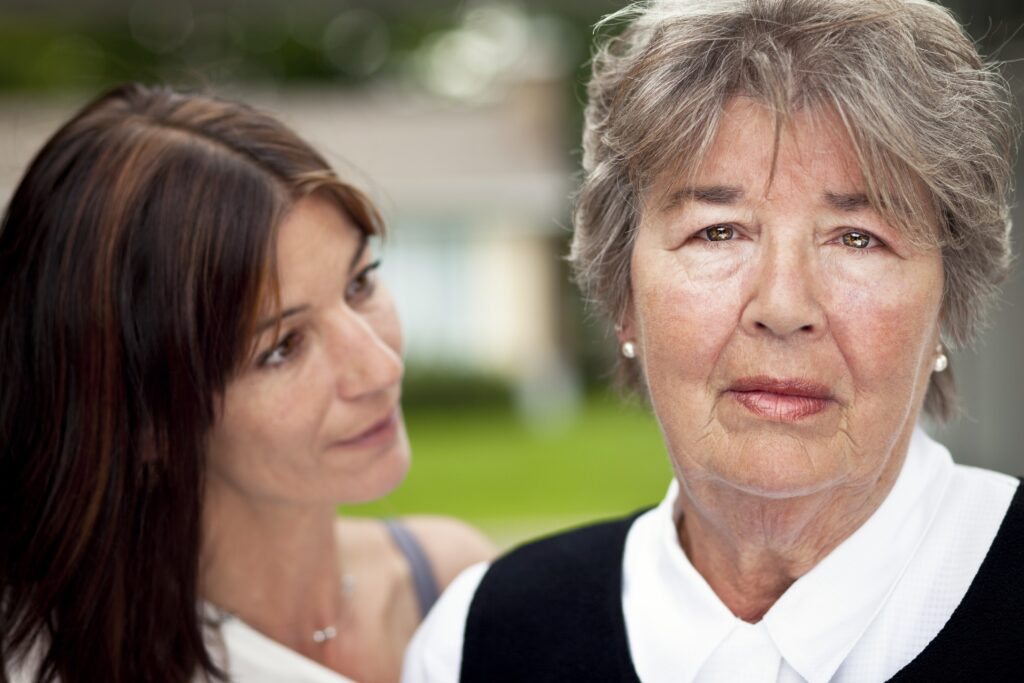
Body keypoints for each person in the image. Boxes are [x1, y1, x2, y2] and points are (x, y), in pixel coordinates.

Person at [403, 0, 1021, 680]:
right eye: (718, 231)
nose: (784, 306)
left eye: (858, 238)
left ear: (945, 304)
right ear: (623, 296)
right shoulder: (480, 643)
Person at [0, 83, 493, 683]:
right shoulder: (50, 664)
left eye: (360, 284)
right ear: (147, 421)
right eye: (282, 348)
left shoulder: (455, 583)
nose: (381, 368)